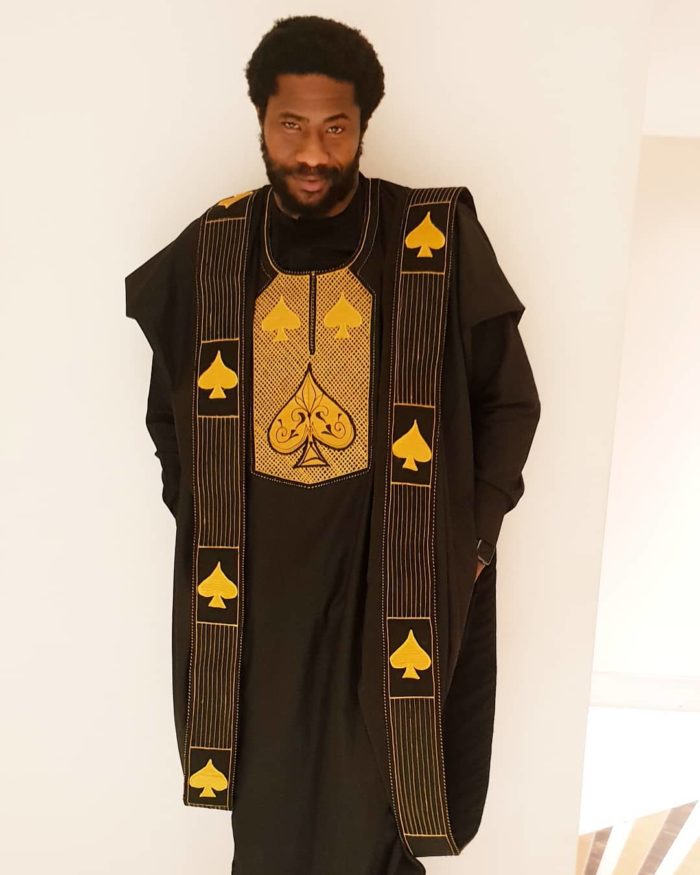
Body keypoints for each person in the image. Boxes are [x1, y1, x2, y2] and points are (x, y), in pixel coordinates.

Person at [125, 14, 541, 875]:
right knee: (269, 817)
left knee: (379, 807)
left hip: (389, 580)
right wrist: (209, 519)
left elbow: (509, 402)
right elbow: (170, 416)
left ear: (362, 125)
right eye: (292, 125)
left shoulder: (432, 238)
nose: (313, 151)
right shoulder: (216, 249)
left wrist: (471, 542)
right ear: (261, 119)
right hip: (258, 601)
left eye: (335, 127)